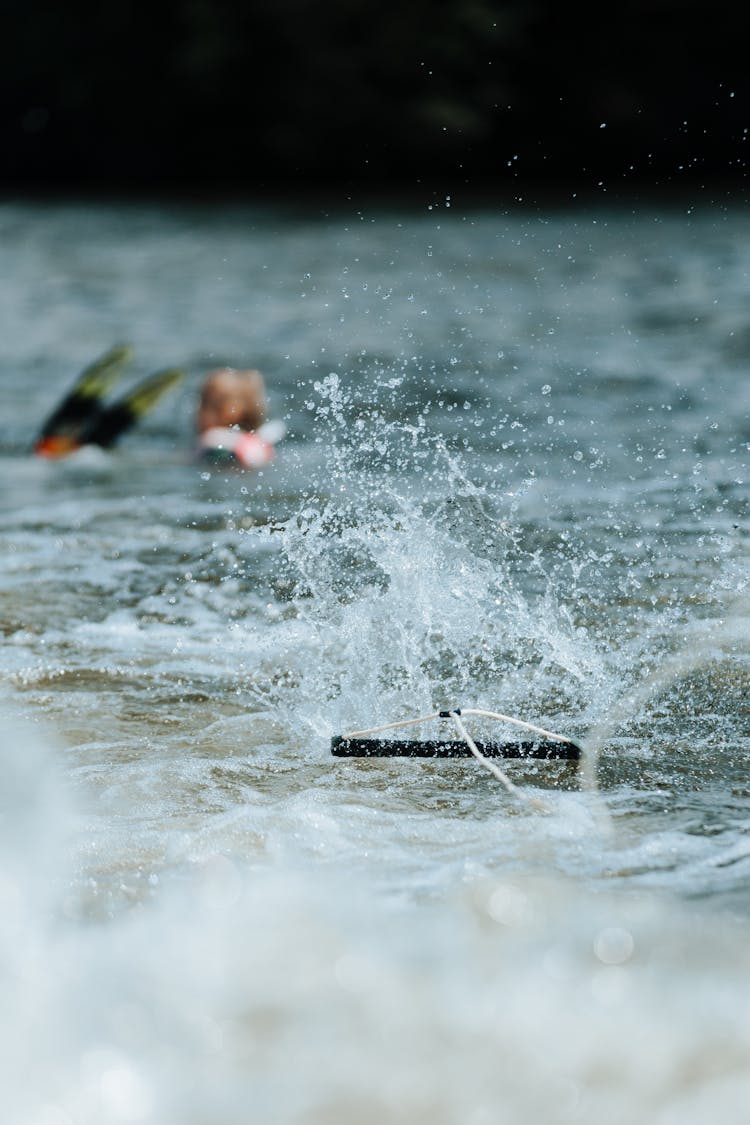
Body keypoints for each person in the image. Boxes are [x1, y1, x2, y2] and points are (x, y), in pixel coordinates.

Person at [196, 366, 283, 468]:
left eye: (205, 404)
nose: (198, 411)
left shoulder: (212, 438)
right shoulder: (260, 441)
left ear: (229, 412)